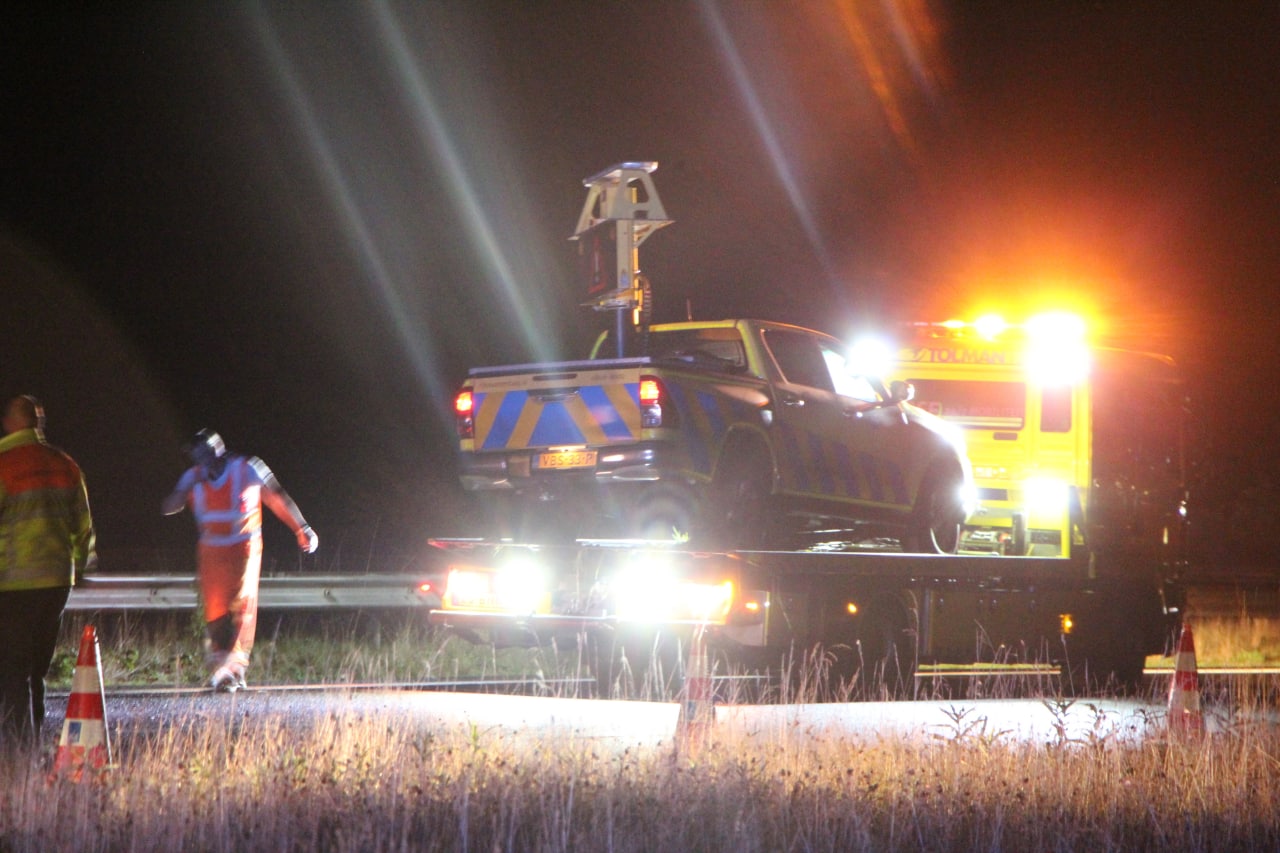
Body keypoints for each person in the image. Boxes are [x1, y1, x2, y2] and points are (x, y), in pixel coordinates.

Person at [162, 429, 317, 692]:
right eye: (196, 454)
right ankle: (228, 670)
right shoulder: (193, 477)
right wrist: (185, 489)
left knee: (241, 606)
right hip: (212, 553)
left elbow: (277, 497)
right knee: (215, 611)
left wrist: (302, 528)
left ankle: (230, 668)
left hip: (244, 548)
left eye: (205, 451)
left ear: (218, 449)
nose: (201, 459)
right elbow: (169, 507)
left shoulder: (248, 468)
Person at [0, 395, 96, 743]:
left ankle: (17, 749)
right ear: (37, 423)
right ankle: (34, 738)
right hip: (56, 581)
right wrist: (79, 567)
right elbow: (83, 525)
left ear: (10, 423)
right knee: (37, 668)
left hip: (12, 583)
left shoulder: (4, 464)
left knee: (12, 668)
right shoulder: (65, 464)